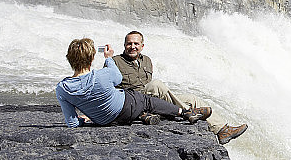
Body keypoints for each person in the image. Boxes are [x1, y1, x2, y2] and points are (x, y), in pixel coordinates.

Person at [112, 31, 248, 145]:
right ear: (124, 45)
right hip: (134, 101)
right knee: (157, 84)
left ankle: (222, 130)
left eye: (136, 44)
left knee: (192, 99)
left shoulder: (146, 60)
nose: (132, 46)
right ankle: (188, 113)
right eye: (129, 43)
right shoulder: (115, 61)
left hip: (152, 100)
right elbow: (111, 89)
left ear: (142, 46)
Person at [55, 38, 210, 128]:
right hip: (125, 107)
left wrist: (86, 119)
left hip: (103, 121)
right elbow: (117, 79)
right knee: (146, 100)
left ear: (69, 59)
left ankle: (144, 116)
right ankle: (186, 113)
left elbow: (72, 123)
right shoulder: (102, 75)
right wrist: (109, 58)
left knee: (137, 104)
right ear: (91, 58)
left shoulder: (62, 88)